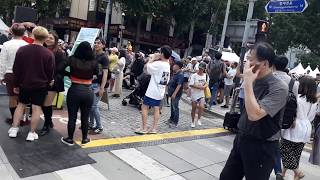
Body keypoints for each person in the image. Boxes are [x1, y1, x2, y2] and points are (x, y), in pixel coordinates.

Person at [220, 42, 289, 180]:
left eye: (251, 59)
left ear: (264, 64)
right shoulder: (252, 77)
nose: (248, 63)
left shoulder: (279, 87)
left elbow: (254, 114)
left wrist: (248, 83)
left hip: (262, 145)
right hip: (242, 137)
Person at [8, 26, 55, 141]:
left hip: (24, 83)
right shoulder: (48, 54)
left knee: (21, 105)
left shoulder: (22, 50)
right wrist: (49, 81)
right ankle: (31, 133)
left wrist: (16, 84)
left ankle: (14, 129)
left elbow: (16, 69)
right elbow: (50, 72)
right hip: (40, 86)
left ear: (33, 35)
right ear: (45, 38)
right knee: (36, 108)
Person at [61, 41, 98, 146]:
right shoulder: (94, 62)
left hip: (74, 89)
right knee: (85, 117)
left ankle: (70, 139)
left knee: (72, 116)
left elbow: (59, 68)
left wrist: (69, 74)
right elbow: (97, 74)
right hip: (88, 91)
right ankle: (85, 138)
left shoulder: (72, 59)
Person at [281, 77, 318, 180]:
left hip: (294, 126)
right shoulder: (314, 102)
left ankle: (297, 172)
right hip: (306, 127)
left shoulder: (298, 99)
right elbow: (311, 117)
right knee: (296, 153)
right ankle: (285, 173)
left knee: (285, 149)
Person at [272, 56, 299, 180]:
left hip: (265, 115)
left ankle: (276, 170)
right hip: (283, 119)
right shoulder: (293, 82)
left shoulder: (269, 77)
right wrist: (293, 119)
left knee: (270, 143)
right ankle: (278, 171)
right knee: (274, 142)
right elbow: (296, 103)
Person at [135, 45, 171, 134]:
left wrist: (152, 58)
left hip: (153, 90)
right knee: (156, 109)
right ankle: (154, 128)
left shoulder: (159, 64)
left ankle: (143, 128)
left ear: (162, 53)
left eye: (160, 52)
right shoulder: (167, 64)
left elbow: (147, 68)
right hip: (160, 91)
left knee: (144, 107)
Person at [38, 31, 67, 136]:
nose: (48, 40)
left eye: (51, 38)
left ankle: (46, 125)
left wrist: (52, 78)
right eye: (47, 38)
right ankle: (49, 121)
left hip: (53, 82)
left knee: (47, 104)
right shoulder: (41, 49)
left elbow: (61, 68)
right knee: (42, 104)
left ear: (55, 40)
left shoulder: (60, 53)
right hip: (41, 81)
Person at [0, 23, 28, 124]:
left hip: (10, 73)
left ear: (11, 32)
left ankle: (13, 119)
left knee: (12, 97)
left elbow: (2, 62)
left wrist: (1, 76)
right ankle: (21, 119)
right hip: (24, 75)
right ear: (23, 32)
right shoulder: (27, 45)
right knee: (23, 99)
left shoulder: (6, 45)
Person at [89, 38, 109, 134]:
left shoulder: (104, 57)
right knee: (90, 105)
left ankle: (99, 126)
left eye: (99, 43)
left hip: (98, 85)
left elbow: (105, 73)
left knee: (94, 106)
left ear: (103, 45)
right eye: (95, 43)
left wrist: (102, 88)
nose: (96, 44)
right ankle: (91, 124)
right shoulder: (94, 55)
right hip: (91, 83)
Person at [189, 62, 208, 128]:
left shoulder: (206, 75)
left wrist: (204, 86)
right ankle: (192, 121)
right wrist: (199, 87)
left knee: (201, 107)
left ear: (204, 69)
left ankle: (199, 118)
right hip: (194, 94)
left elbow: (206, 83)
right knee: (193, 108)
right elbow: (191, 84)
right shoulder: (194, 75)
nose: (200, 70)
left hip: (201, 94)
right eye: (199, 68)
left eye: (202, 69)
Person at [167, 61, 184, 128]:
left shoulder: (180, 75)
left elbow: (179, 85)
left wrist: (174, 94)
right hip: (171, 93)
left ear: (178, 67)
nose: (173, 66)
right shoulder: (175, 73)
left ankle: (175, 122)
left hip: (176, 94)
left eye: (174, 65)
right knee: (172, 107)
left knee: (175, 108)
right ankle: (171, 119)